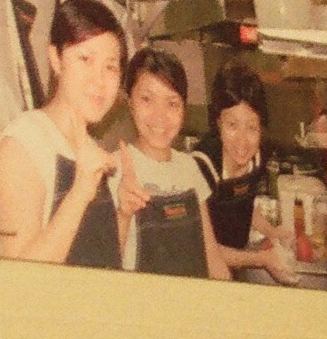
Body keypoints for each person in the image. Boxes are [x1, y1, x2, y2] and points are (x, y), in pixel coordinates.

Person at [0, 0, 126, 267]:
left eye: (110, 67)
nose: (99, 80)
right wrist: (80, 191)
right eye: (85, 59)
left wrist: (124, 212)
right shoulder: (24, 141)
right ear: (55, 59)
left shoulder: (92, 149)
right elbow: (19, 273)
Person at [104, 50, 227, 277]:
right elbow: (103, 268)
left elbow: (211, 255)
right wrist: (123, 213)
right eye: (147, 99)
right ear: (130, 102)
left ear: (183, 110)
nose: (160, 116)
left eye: (172, 103)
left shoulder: (189, 167)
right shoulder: (113, 168)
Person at [195, 73, 301, 283]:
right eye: (232, 125)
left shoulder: (258, 157)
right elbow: (205, 249)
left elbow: (243, 206)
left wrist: (272, 231)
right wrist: (263, 259)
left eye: (251, 127)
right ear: (218, 123)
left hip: (236, 263)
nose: (242, 141)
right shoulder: (203, 165)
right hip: (202, 271)